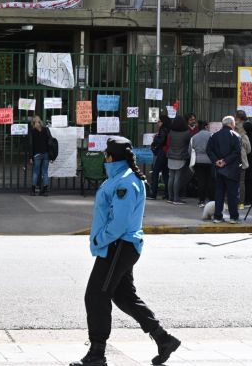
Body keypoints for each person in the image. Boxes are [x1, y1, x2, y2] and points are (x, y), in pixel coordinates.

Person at [70, 136, 181, 366]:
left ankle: (97, 353)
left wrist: (101, 239)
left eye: (106, 154)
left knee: (96, 295)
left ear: (111, 157)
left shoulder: (125, 183)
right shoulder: (120, 177)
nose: (103, 158)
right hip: (119, 245)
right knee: (123, 296)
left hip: (118, 245)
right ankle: (163, 338)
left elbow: (119, 222)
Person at [206, 116, 242, 224]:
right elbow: (237, 152)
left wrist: (216, 161)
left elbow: (209, 150)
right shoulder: (236, 136)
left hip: (218, 170)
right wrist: (225, 161)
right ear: (231, 124)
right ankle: (233, 217)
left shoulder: (214, 136)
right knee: (232, 195)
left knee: (219, 194)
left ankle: (217, 216)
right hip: (232, 170)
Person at [189, 121, 213, 207]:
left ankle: (201, 201)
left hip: (198, 161)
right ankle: (211, 199)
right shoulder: (212, 135)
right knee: (210, 180)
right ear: (206, 126)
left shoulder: (194, 137)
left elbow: (190, 150)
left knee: (201, 181)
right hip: (210, 161)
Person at [167, 115, 190, 204]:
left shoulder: (171, 132)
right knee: (178, 177)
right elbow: (189, 143)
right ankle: (176, 198)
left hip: (171, 156)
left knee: (171, 176)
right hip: (180, 156)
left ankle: (170, 197)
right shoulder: (186, 133)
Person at [148, 115, 171, 200]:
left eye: (159, 121)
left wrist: (155, 138)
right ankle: (168, 193)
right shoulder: (169, 129)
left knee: (155, 172)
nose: (158, 123)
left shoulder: (163, 129)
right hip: (167, 153)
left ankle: (153, 193)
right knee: (165, 173)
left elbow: (161, 141)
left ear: (163, 122)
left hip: (162, 153)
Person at [29, 115, 52, 196]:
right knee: (45, 172)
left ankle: (33, 190)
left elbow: (31, 145)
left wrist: (31, 156)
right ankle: (45, 190)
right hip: (46, 153)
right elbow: (50, 141)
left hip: (36, 154)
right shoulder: (46, 129)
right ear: (40, 121)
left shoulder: (32, 131)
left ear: (33, 122)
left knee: (35, 172)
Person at [235, 121, 251, 210]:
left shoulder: (231, 135)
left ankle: (232, 201)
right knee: (241, 183)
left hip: (231, 162)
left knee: (231, 182)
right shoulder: (244, 136)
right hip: (242, 162)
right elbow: (249, 150)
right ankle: (241, 203)